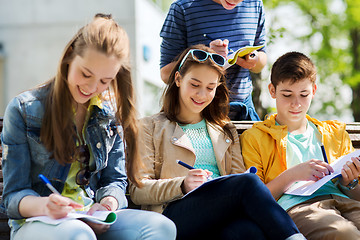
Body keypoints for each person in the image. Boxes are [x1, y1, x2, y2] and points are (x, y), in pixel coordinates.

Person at [0, 14, 176, 240]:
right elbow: (13, 195)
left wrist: (107, 205)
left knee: (162, 227)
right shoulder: (24, 110)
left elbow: (114, 181)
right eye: (86, 74)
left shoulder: (108, 115)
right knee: (78, 234)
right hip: (36, 223)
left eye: (105, 81)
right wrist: (46, 206)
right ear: (70, 55)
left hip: (89, 219)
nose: (92, 87)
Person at [129, 44, 305, 240]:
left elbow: (238, 178)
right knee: (248, 183)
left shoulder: (224, 129)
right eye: (195, 85)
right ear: (178, 79)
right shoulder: (148, 127)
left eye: (210, 88)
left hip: (220, 214)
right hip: (174, 215)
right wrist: (182, 184)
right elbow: (138, 190)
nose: (202, 95)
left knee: (249, 232)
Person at [240, 51, 360, 239]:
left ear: (313, 91)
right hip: (299, 207)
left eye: (303, 95)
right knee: (344, 233)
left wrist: (350, 182)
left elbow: (355, 193)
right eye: (287, 95)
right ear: (272, 91)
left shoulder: (333, 133)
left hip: (343, 201)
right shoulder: (256, 138)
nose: (296, 104)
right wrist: (293, 175)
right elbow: (253, 198)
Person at [159, 0, 267, 121]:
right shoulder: (182, 8)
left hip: (242, 114)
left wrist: (254, 59)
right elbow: (165, 74)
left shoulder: (254, 4)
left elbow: (261, 61)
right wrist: (206, 55)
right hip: (197, 115)